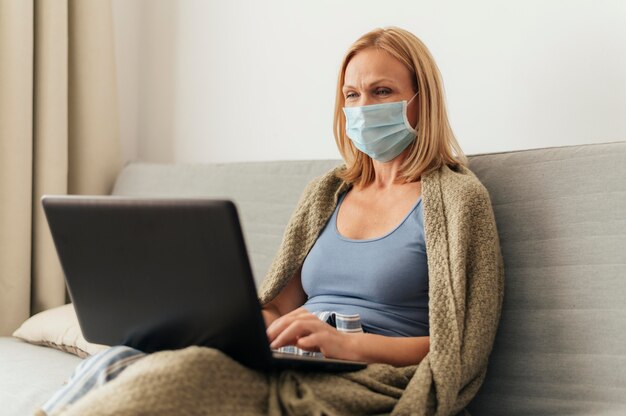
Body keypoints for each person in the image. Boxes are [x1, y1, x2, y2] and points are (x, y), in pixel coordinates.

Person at [38, 27, 503, 416]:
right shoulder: (328, 192)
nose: (363, 108)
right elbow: (277, 305)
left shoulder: (458, 200)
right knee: (125, 357)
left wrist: (346, 345)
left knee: (187, 376)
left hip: (371, 374)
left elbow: (459, 346)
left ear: (422, 100)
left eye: (382, 91)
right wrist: (251, 332)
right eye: (351, 94)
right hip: (293, 357)